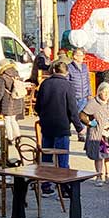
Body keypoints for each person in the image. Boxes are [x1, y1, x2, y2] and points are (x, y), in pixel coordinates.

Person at [34, 60, 84, 197]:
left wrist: (44, 115)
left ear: (54, 70)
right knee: (62, 157)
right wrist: (79, 127)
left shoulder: (45, 84)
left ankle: (45, 185)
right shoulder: (68, 86)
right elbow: (72, 110)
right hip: (62, 126)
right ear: (66, 72)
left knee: (46, 157)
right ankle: (63, 188)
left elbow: (37, 106)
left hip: (47, 125)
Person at [80, 82, 109, 187]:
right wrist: (89, 123)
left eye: (108, 92)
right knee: (98, 156)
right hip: (98, 133)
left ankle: (108, 175)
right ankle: (99, 175)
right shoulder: (93, 102)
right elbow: (82, 115)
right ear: (99, 92)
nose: (106, 95)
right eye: (104, 92)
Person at [0, 59, 27, 165]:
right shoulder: (16, 72)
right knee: (14, 119)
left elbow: (1, 93)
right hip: (17, 98)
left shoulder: (3, 77)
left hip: (8, 100)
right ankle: (18, 136)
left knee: (7, 119)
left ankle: (10, 138)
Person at [68, 47, 92, 113]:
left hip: (84, 96)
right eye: (81, 55)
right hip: (74, 97)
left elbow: (88, 80)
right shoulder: (69, 67)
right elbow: (67, 83)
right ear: (75, 56)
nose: (83, 57)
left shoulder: (84, 67)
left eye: (83, 55)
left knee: (81, 115)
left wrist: (89, 93)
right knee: (74, 114)